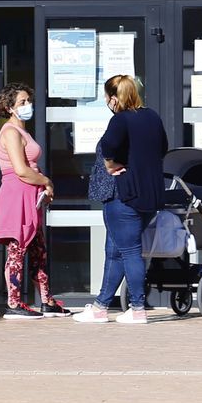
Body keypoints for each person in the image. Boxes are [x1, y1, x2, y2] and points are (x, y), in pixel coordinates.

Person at [74, 74, 167, 325]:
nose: (107, 101)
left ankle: (137, 309)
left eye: (106, 97)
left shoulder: (121, 119)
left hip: (123, 195)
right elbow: (163, 149)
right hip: (150, 195)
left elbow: (108, 145)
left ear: (114, 99)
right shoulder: (152, 117)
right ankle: (100, 307)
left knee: (129, 252)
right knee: (115, 252)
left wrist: (110, 164)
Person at [0, 82, 65, 319]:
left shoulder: (23, 131)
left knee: (37, 248)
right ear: (9, 107)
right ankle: (13, 303)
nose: (28, 105)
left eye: (28, 101)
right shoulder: (11, 132)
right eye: (22, 102)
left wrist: (42, 185)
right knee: (17, 247)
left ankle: (46, 300)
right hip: (17, 193)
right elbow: (21, 169)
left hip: (29, 193)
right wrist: (46, 181)